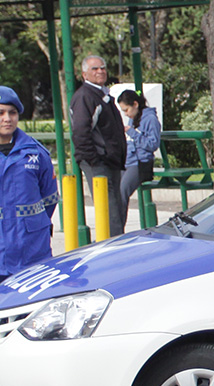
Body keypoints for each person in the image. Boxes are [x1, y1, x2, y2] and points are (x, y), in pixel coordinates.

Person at [0, 86, 58, 282]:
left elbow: (49, 198)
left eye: (12, 113)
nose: (7, 119)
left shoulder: (36, 152)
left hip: (31, 250)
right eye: (1, 113)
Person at [70, 55, 126, 237]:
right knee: (110, 214)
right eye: (95, 69)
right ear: (84, 74)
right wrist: (94, 160)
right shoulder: (85, 96)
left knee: (117, 211)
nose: (100, 71)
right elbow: (80, 132)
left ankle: (117, 244)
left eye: (103, 67)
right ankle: (114, 249)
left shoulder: (102, 95)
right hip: (99, 163)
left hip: (110, 162)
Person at [116, 90, 161, 231]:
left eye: (126, 110)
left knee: (122, 192)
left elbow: (153, 144)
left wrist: (133, 133)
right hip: (128, 161)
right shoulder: (134, 118)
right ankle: (112, 228)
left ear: (135, 104)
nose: (126, 114)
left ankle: (117, 230)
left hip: (141, 163)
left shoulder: (150, 119)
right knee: (113, 191)